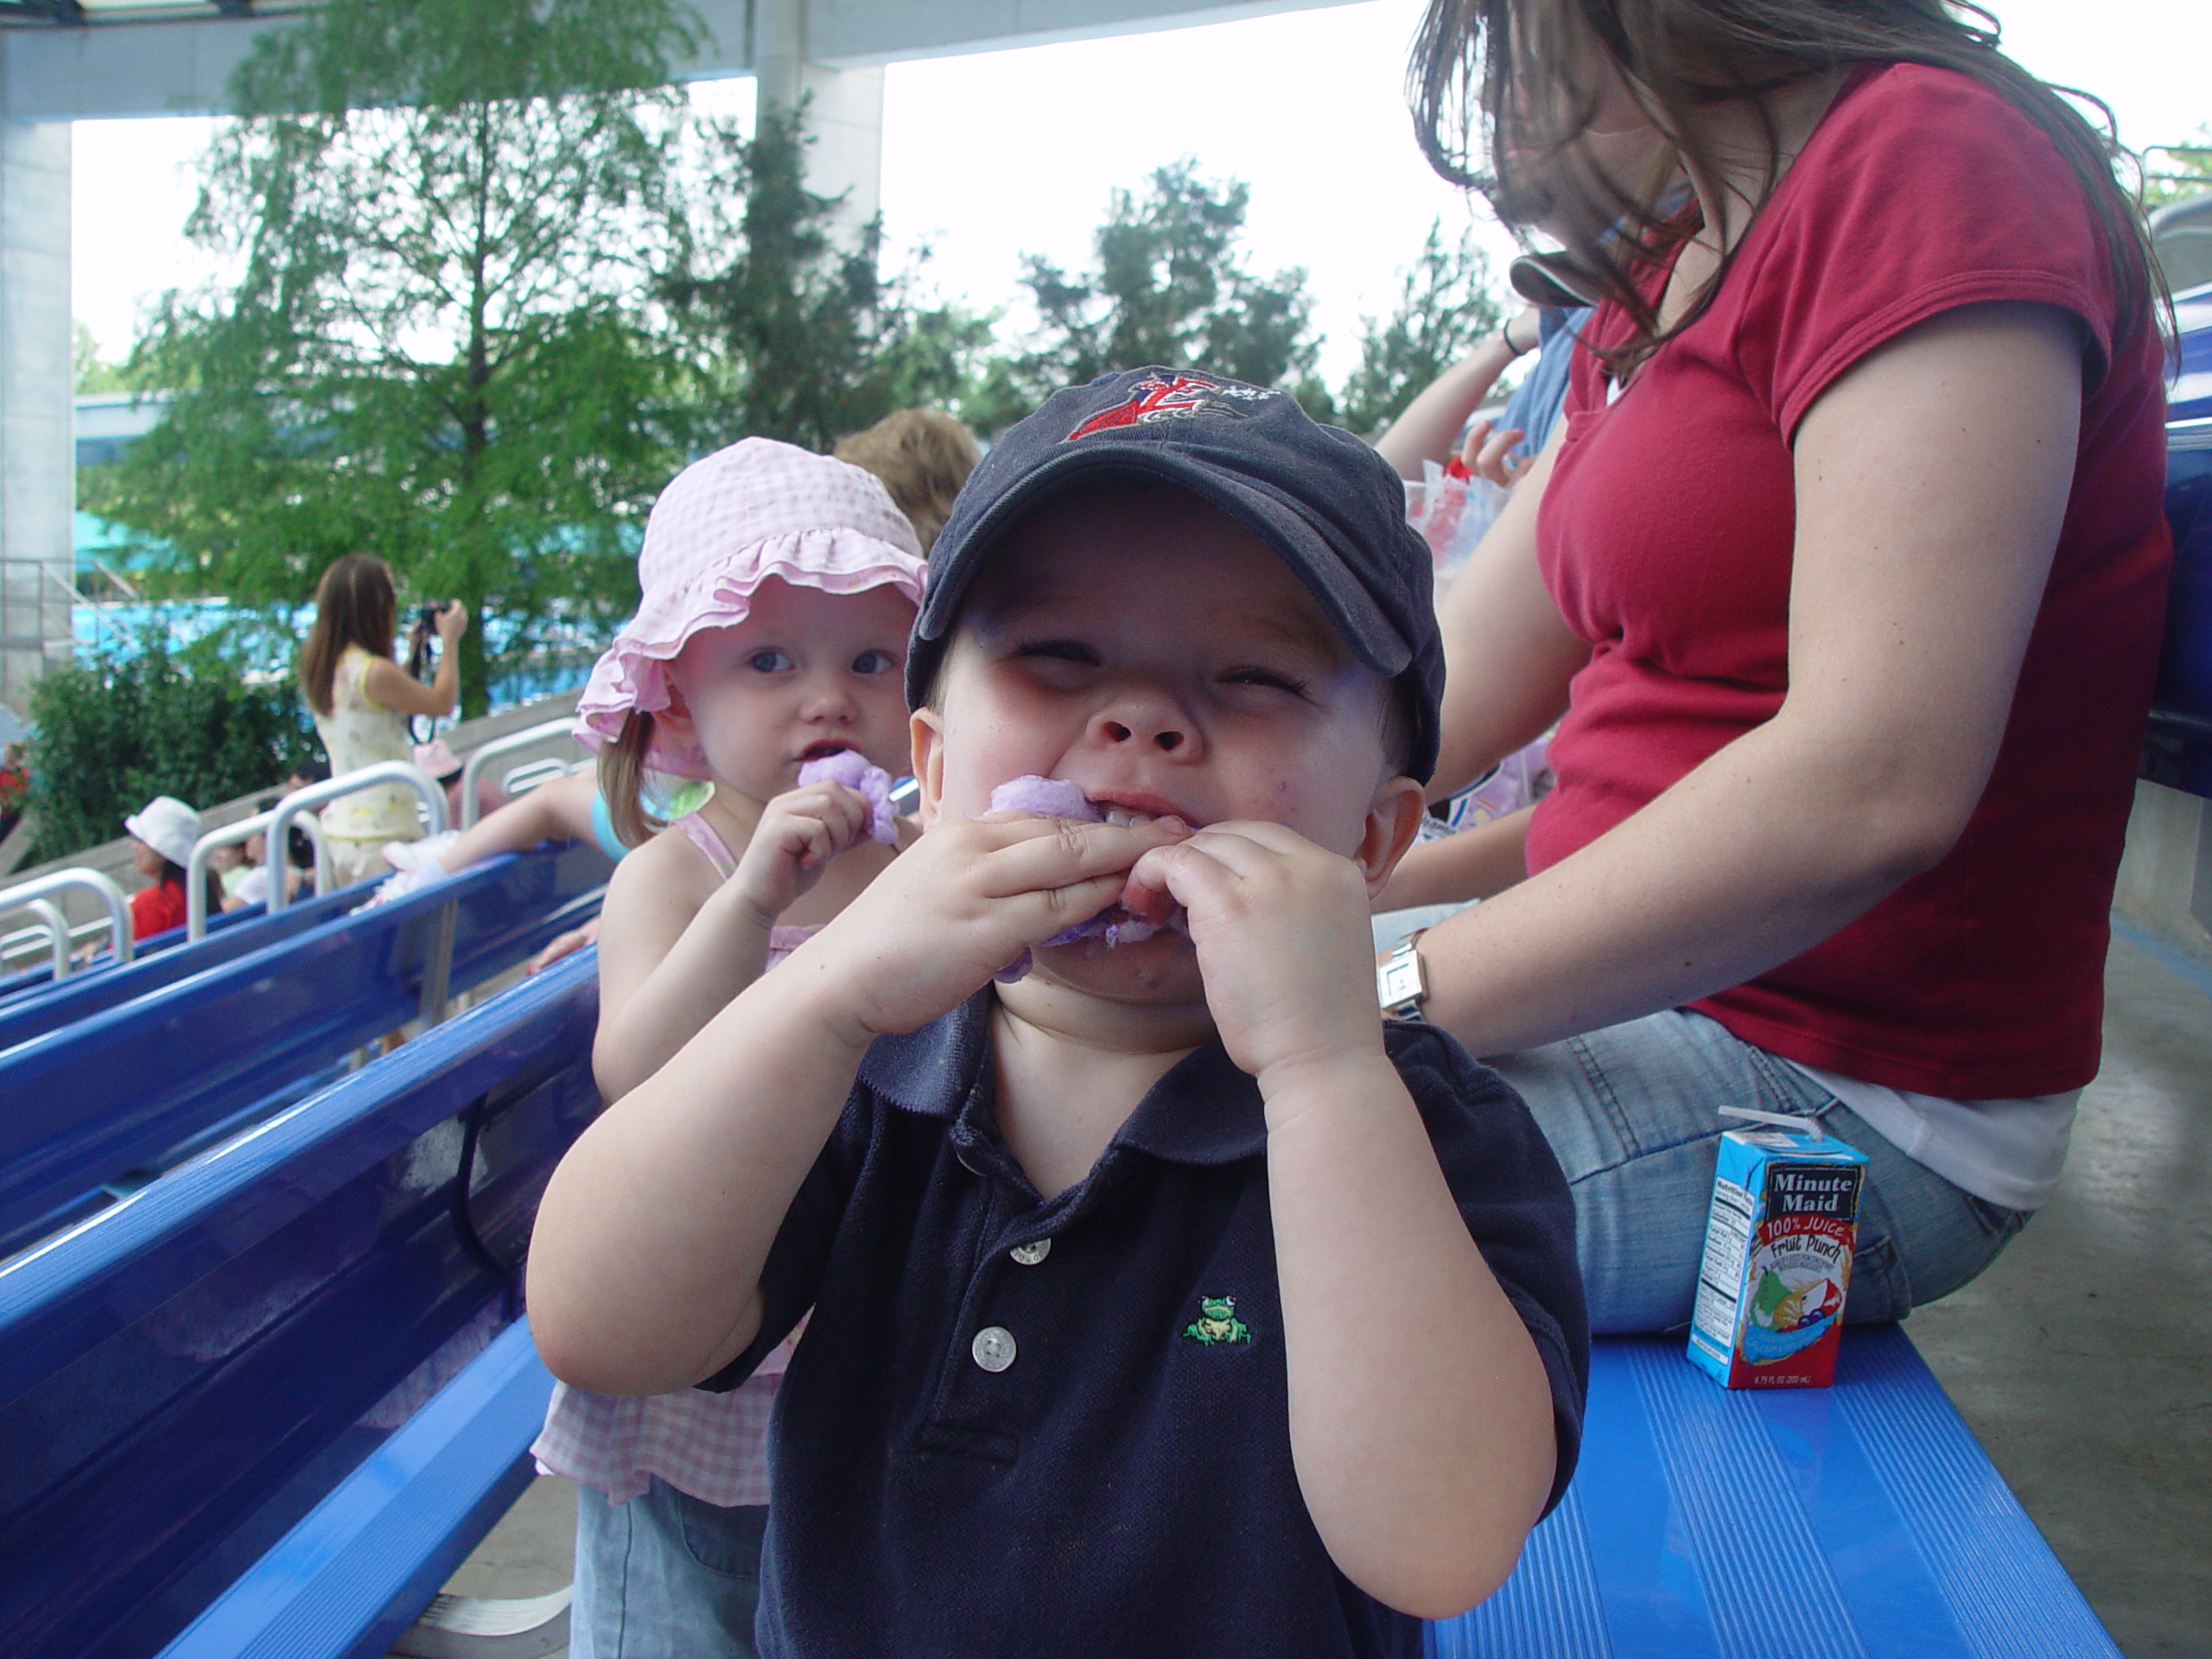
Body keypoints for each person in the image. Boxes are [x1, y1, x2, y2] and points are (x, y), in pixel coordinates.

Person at [528, 367, 1588, 1658]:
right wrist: (826, 988)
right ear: (931, 768)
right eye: (1057, 658)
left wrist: (1321, 1068)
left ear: (1371, 835)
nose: (1141, 722)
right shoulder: (862, 1074)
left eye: (1254, 675)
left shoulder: (1423, 1126)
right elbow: (601, 1326)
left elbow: (1442, 1541)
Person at [1377, 0, 2172, 1332]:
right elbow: (1437, 700)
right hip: (1635, 987)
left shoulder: (1925, 159)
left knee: (1151, 1178)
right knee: (1064, 1037)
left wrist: (1368, 995)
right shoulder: (1671, 254)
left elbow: (1870, 783)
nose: (1500, 92)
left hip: (1840, 1090)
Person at [530, 438, 928, 1659]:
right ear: (681, 703)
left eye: (869, 659)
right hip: (699, 1342)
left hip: (859, 1340)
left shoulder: (921, 867)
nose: (829, 697)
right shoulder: (675, 872)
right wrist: (751, 900)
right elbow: (635, 1075)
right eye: (770, 662)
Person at [297, 554, 468, 885]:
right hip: (384, 832)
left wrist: (411, 655)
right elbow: (441, 702)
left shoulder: (324, 666)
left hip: (342, 831)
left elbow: (375, 707)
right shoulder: (373, 672)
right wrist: (450, 643)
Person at [121, 795, 217, 940]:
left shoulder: (149, 903)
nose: (133, 846)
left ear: (163, 850)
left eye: (140, 840)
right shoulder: (200, 891)